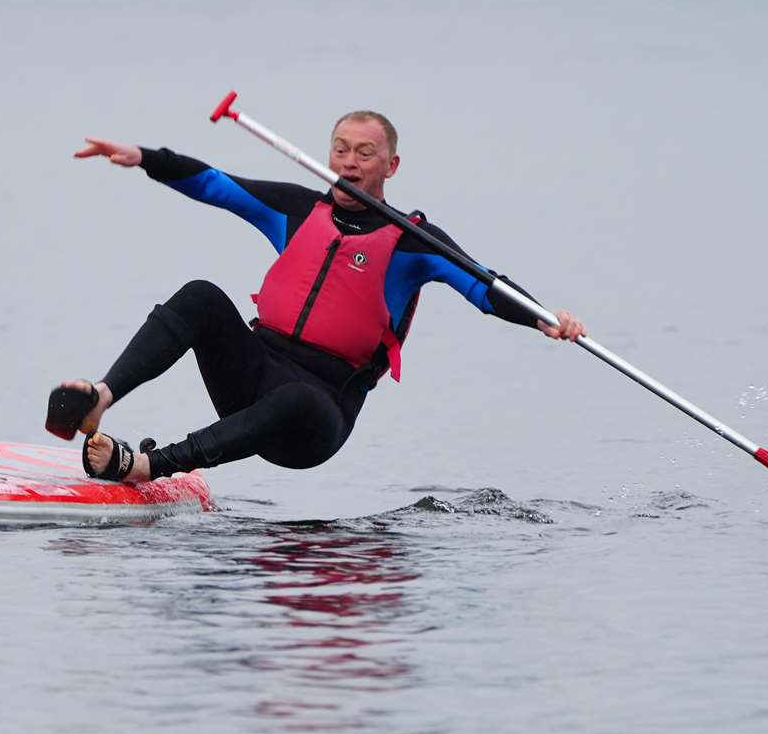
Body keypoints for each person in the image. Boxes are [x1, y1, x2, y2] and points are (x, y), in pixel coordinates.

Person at [47, 110, 585, 484]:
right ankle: (102, 395)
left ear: (390, 166)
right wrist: (143, 156)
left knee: (299, 398)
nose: (350, 161)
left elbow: (486, 286)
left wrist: (543, 319)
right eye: (341, 150)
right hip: (252, 376)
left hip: (315, 419)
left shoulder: (414, 244)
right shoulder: (297, 210)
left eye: (366, 153)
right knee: (202, 297)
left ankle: (149, 466)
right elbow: (213, 183)